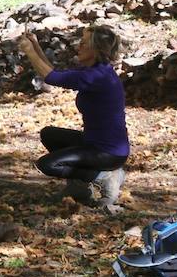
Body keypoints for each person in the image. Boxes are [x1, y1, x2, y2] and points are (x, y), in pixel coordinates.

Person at [18, 25, 128, 207]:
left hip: (108, 153)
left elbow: (50, 77)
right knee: (49, 134)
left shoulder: (96, 76)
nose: (78, 46)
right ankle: (79, 188)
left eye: (83, 43)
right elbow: (53, 74)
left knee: (47, 165)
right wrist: (35, 46)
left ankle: (104, 177)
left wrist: (29, 51)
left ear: (95, 50)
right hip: (94, 143)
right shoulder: (96, 70)